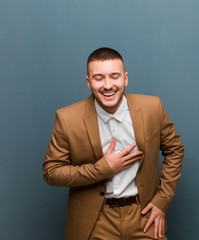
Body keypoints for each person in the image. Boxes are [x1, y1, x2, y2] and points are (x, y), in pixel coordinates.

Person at [43, 47, 184, 240]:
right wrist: (102, 169)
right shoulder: (67, 118)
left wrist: (162, 200)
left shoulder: (152, 107)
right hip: (95, 221)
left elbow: (175, 149)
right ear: (88, 82)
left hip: (144, 215)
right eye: (98, 78)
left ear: (125, 78)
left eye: (114, 76)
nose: (108, 85)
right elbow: (51, 173)